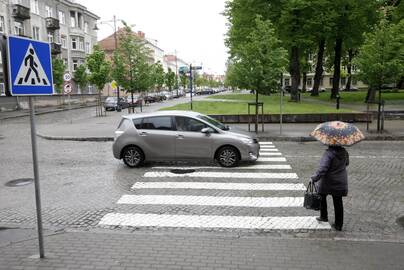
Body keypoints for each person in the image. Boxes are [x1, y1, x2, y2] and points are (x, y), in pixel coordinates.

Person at [311, 145, 349, 231]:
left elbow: (323, 169)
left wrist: (314, 178)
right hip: (340, 181)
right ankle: (339, 224)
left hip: (328, 181)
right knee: (338, 201)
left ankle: (324, 216)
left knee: (321, 195)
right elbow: (347, 163)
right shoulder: (344, 152)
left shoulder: (329, 154)